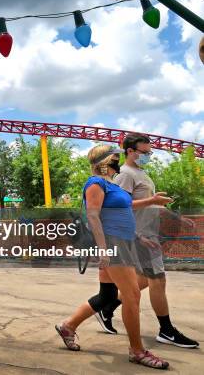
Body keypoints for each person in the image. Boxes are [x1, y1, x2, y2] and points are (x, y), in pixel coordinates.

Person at [55, 145, 170, 369]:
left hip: (123, 242)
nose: (119, 162)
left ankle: (68, 326)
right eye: (115, 158)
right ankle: (137, 351)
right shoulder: (95, 183)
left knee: (107, 295)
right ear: (105, 162)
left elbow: (124, 210)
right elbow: (93, 216)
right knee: (132, 294)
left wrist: (138, 233)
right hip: (112, 244)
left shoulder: (110, 185)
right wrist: (104, 249)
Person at [95, 134, 199, 348]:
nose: (148, 156)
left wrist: (177, 218)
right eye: (144, 152)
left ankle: (107, 307)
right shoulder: (125, 174)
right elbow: (118, 207)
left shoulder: (141, 173)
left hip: (147, 236)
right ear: (130, 151)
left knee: (141, 281)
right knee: (158, 280)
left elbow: (151, 205)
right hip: (139, 238)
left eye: (150, 153)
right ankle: (166, 330)